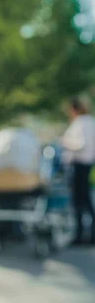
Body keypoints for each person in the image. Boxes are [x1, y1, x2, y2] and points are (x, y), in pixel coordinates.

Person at [62, 97, 95, 245]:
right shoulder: (89, 122)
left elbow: (80, 144)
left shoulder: (82, 123)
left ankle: (81, 234)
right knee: (84, 200)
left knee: (80, 201)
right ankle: (86, 233)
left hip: (79, 164)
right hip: (85, 164)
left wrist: (66, 143)